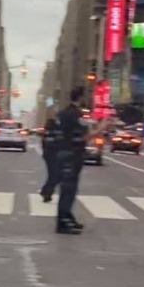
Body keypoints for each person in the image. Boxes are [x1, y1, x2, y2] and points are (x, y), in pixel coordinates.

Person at [56, 86, 88, 234]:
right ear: (80, 98)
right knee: (69, 189)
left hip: (62, 152)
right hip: (72, 153)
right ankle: (63, 222)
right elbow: (84, 136)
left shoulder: (63, 113)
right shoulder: (75, 115)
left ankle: (67, 216)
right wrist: (102, 127)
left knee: (67, 187)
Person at [40, 115, 62, 202]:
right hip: (53, 155)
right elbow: (55, 144)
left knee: (53, 175)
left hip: (48, 155)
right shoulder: (54, 133)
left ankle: (47, 192)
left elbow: (44, 144)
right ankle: (46, 191)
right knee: (56, 175)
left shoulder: (46, 132)